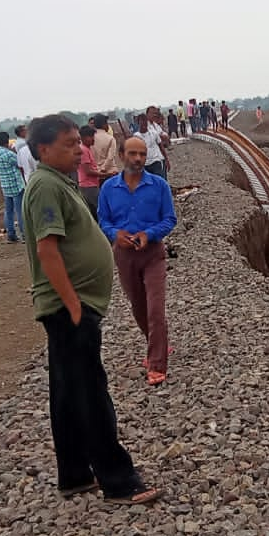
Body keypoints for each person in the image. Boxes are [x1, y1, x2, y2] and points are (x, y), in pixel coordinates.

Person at [19, 113, 161, 504]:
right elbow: (47, 250)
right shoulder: (46, 187)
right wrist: (74, 306)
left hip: (71, 307)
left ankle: (75, 474)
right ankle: (118, 480)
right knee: (91, 394)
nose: (79, 149)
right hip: (70, 308)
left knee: (67, 391)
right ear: (43, 150)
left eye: (76, 142)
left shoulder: (55, 182)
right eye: (68, 143)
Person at [97, 135, 177, 387]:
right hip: (124, 256)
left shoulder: (159, 186)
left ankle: (156, 363)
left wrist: (148, 234)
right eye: (133, 154)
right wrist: (115, 235)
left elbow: (169, 219)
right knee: (138, 307)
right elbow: (104, 220)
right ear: (121, 155)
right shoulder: (109, 188)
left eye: (142, 154)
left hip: (153, 254)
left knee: (155, 309)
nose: (138, 159)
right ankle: (158, 343)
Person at [0, 132, 24, 243]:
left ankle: (11, 235)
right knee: (20, 211)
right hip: (16, 185)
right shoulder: (9, 154)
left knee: (8, 211)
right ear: (7, 140)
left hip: (5, 186)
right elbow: (20, 164)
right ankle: (25, 234)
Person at [77, 125, 104, 217]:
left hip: (90, 185)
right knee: (101, 210)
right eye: (91, 137)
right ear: (83, 137)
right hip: (89, 186)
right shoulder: (83, 150)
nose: (93, 139)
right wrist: (105, 174)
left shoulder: (87, 149)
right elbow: (88, 171)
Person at [135, 114, 168, 179]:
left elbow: (161, 147)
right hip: (144, 164)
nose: (144, 125)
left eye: (145, 122)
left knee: (160, 181)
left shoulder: (154, 133)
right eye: (142, 123)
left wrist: (166, 159)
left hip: (156, 161)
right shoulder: (136, 136)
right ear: (138, 123)